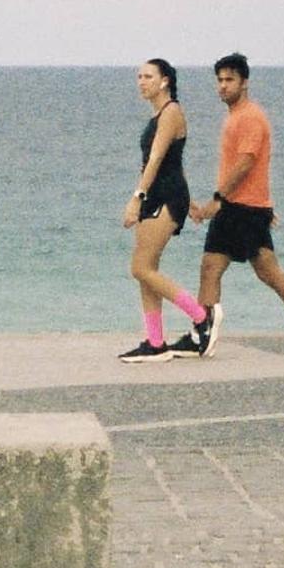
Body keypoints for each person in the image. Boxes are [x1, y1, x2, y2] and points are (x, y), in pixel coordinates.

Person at [179, 52, 284, 359]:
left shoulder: (250, 117)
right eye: (219, 80)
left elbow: (246, 163)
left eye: (229, 80)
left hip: (241, 208)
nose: (222, 86)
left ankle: (204, 330)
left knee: (243, 271)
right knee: (226, 268)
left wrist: (216, 201)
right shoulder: (236, 115)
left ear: (244, 82)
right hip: (246, 207)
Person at [117, 57, 209, 360]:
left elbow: (157, 159)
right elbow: (171, 163)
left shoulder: (171, 112)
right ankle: (156, 343)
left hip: (164, 198)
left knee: (140, 268)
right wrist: (192, 200)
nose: (141, 82)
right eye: (139, 77)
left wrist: (136, 197)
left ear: (165, 81)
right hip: (160, 196)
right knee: (147, 270)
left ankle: (201, 316)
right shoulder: (158, 116)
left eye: (148, 76)